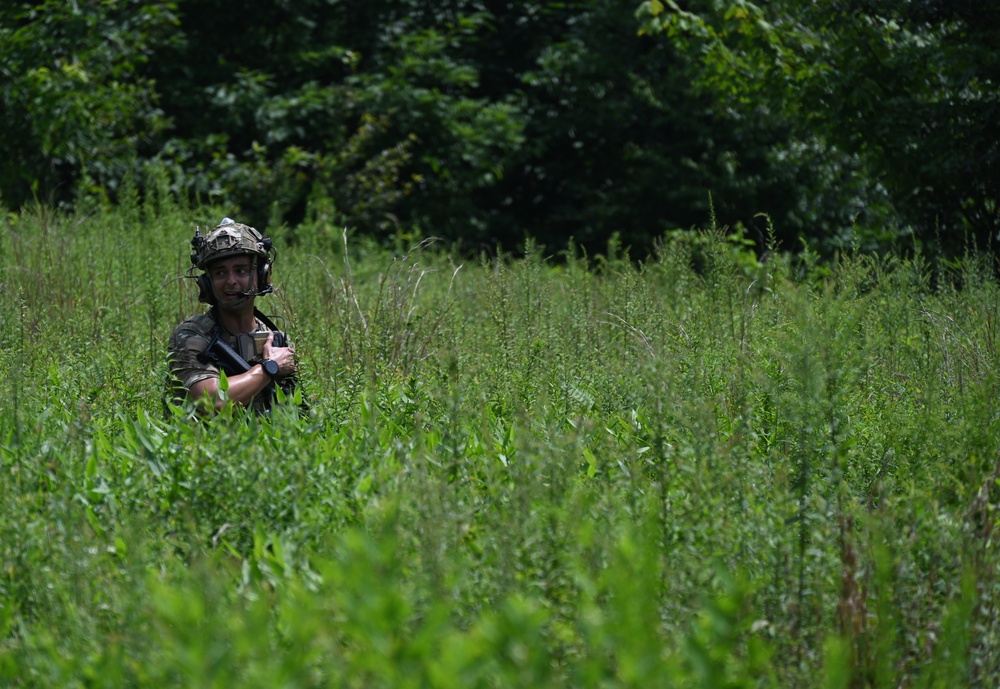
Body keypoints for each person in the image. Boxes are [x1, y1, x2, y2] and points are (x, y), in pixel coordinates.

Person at [167, 218, 299, 414]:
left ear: (262, 275)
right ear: (207, 282)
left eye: (241, 271)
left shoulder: (275, 339)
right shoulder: (192, 336)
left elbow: (296, 412)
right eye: (220, 273)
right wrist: (268, 368)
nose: (231, 281)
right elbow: (211, 401)